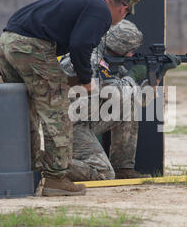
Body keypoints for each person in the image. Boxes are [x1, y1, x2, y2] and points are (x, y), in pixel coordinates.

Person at [0, 0, 140, 196]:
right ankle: (56, 178)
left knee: (27, 111)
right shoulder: (101, 11)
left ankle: (27, 169)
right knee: (57, 112)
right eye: (125, 15)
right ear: (123, 8)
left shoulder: (84, 2)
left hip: (6, 42)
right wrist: (86, 79)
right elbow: (80, 44)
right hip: (31, 46)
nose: (120, 20)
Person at [59, 19, 152, 181]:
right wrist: (133, 76)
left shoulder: (110, 58)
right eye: (131, 50)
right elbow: (112, 91)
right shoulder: (90, 58)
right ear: (121, 47)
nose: (132, 54)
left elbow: (138, 99)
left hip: (86, 120)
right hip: (67, 126)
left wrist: (154, 79)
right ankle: (50, 164)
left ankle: (123, 167)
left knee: (128, 105)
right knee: (104, 173)